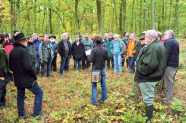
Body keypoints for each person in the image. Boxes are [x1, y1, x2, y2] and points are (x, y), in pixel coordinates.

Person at [9, 33, 44, 119]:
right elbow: (28, 67)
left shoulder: (12, 51)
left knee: (20, 96)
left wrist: (17, 73)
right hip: (27, 79)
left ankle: (21, 115)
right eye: (24, 40)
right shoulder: (23, 51)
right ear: (20, 42)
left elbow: (10, 66)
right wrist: (34, 76)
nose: (26, 41)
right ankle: (37, 116)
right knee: (39, 92)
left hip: (18, 78)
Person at [134, 30, 166, 122]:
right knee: (149, 96)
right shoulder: (159, 45)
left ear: (150, 38)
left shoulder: (153, 47)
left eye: (145, 37)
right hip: (156, 76)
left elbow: (150, 65)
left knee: (148, 99)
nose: (144, 39)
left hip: (148, 78)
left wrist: (139, 69)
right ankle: (148, 115)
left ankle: (148, 118)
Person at [87, 36, 110, 106]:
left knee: (94, 85)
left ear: (94, 41)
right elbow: (108, 58)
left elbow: (90, 60)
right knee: (103, 84)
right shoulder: (104, 49)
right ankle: (103, 99)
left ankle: (94, 101)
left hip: (96, 70)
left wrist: (88, 55)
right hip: (102, 69)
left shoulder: (94, 50)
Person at [163, 30, 179, 104]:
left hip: (170, 65)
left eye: (165, 34)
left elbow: (166, 54)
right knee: (170, 81)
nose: (164, 35)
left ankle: (168, 100)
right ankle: (167, 95)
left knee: (169, 82)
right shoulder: (175, 41)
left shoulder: (169, 42)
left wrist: (163, 64)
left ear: (169, 35)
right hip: (174, 64)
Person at [132, 32, 146, 102]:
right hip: (138, 66)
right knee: (136, 83)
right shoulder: (139, 45)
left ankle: (140, 99)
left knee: (142, 85)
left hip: (143, 68)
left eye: (142, 39)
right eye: (140, 40)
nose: (140, 41)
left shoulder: (148, 47)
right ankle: (134, 98)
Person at [0, 33, 10, 108]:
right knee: (2, 88)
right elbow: (6, 61)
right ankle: (1, 103)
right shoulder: (2, 50)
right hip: (1, 73)